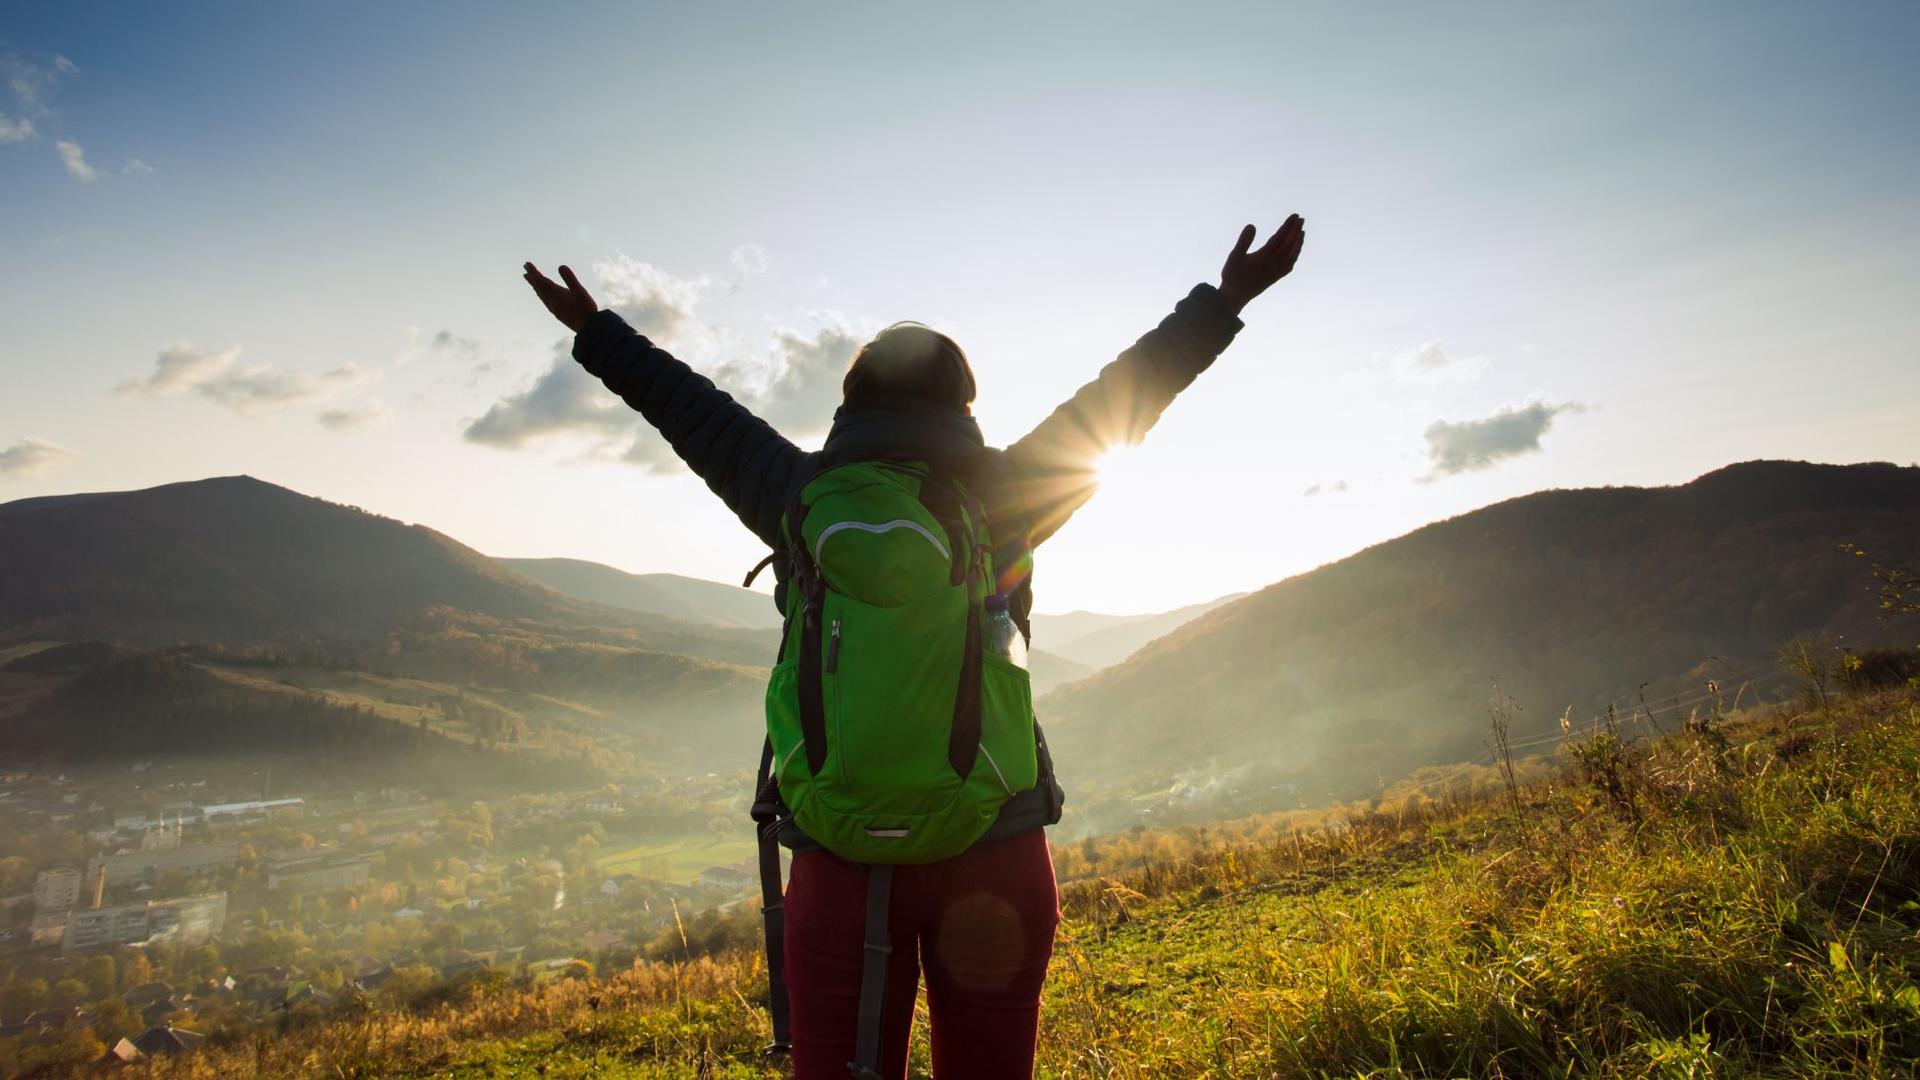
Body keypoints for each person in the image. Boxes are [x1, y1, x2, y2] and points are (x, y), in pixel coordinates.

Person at [522, 213, 1306, 1080]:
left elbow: (690, 410)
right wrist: (1227, 298)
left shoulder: (796, 492)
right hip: (994, 849)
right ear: (964, 407)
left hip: (839, 857)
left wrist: (598, 331)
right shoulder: (1006, 492)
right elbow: (1129, 393)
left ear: (850, 403)